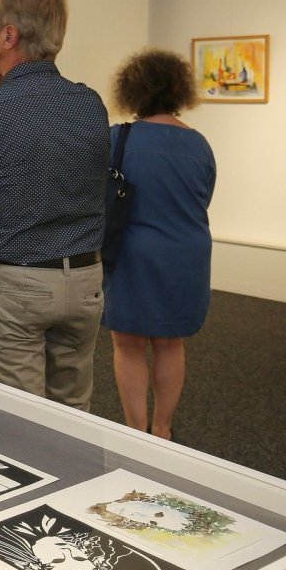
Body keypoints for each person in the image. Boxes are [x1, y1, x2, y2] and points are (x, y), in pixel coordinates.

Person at [0, 0, 109, 411]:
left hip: (17, 285)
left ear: (9, 35)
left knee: (19, 419)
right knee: (74, 415)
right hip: (85, 281)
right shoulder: (90, 104)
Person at [101, 49, 215, 440]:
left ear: (131, 90)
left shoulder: (118, 139)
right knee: (170, 343)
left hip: (131, 253)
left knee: (127, 343)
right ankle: (162, 429)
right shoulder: (199, 144)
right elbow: (203, 197)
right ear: (180, 89)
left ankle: (136, 430)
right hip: (187, 253)